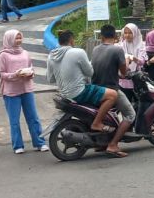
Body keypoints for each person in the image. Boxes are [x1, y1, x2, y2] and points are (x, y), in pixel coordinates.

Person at [47, 30, 125, 158]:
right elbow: (90, 72)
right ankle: (97, 123)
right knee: (112, 95)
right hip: (79, 92)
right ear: (71, 40)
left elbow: (50, 79)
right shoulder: (78, 52)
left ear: (59, 41)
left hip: (64, 94)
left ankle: (99, 137)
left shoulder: (51, 55)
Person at [0, 29, 48, 154]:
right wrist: (15, 75)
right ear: (9, 39)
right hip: (11, 92)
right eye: (16, 38)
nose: (19, 40)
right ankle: (18, 145)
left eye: (20, 38)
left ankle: (40, 143)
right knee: (14, 120)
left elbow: (31, 67)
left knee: (33, 118)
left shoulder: (25, 53)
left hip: (27, 89)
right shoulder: (3, 55)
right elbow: (2, 74)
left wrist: (30, 73)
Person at [90, 24, 137, 142]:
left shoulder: (95, 49)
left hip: (96, 88)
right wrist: (127, 61)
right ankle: (113, 144)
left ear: (101, 37)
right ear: (115, 36)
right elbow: (124, 72)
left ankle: (103, 142)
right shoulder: (118, 50)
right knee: (130, 115)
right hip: (111, 89)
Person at [119, 23, 147, 103]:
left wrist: (132, 58)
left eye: (130, 33)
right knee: (126, 103)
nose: (127, 35)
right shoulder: (121, 45)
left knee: (139, 103)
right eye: (125, 33)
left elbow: (142, 62)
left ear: (135, 33)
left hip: (137, 79)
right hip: (124, 79)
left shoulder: (141, 45)